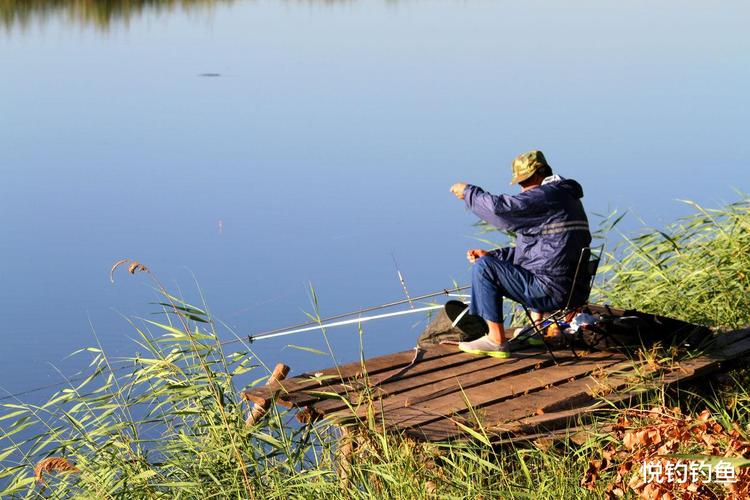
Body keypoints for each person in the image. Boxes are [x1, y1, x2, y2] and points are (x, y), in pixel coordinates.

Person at [449, 150, 591, 358]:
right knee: (490, 261)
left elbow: (500, 210)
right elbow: (543, 251)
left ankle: (496, 340)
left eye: (525, 181)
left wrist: (469, 192)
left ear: (539, 173)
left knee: (483, 268)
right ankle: (538, 328)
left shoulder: (546, 195)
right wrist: (494, 255)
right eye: (520, 183)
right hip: (573, 291)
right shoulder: (566, 197)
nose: (523, 188)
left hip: (551, 291)